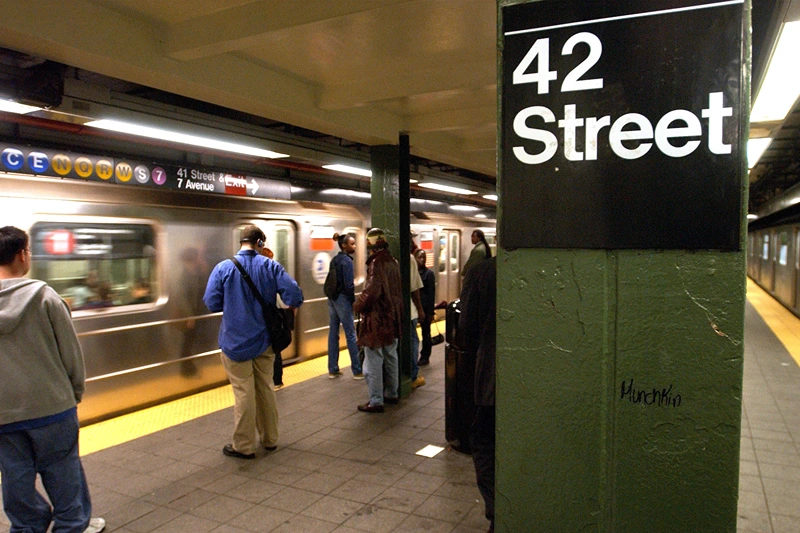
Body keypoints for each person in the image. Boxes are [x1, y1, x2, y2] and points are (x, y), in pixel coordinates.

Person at [0, 226, 106, 533]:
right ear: (22, 255)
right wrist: (73, 392)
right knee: (63, 472)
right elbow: (71, 354)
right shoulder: (45, 297)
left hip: (4, 414)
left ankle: (27, 526)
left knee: (15, 475)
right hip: (53, 408)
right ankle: (71, 525)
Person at [203, 225, 303, 459]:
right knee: (265, 389)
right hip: (265, 341)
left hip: (234, 343)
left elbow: (211, 302)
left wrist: (233, 303)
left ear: (241, 243)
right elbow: (295, 296)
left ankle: (244, 446)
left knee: (243, 393)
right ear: (260, 243)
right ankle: (270, 439)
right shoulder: (270, 266)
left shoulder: (223, 268)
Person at [458, 256, 497, 533]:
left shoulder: (483, 271)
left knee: (483, 442)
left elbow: (467, 327)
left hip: (493, 380)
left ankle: (498, 512)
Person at [353, 228, 403, 413]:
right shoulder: (393, 261)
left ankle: (375, 400)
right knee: (391, 356)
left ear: (370, 246)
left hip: (378, 320)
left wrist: (358, 305)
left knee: (372, 361)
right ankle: (392, 393)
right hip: (393, 318)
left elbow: (373, 291)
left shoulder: (376, 263)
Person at [326, 233, 363, 380]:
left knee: (333, 333)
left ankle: (333, 369)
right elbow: (349, 285)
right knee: (350, 334)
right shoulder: (347, 262)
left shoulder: (334, 260)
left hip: (332, 299)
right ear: (344, 245)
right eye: (352, 244)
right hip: (343, 300)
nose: (354, 246)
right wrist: (353, 301)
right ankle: (357, 370)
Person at [259, 246, 290, 390]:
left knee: (270, 349)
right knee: (275, 348)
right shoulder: (274, 274)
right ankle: (277, 380)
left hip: (264, 318)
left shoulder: (256, 275)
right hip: (274, 316)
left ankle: (274, 379)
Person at [408, 232, 426, 389]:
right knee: (414, 342)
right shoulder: (410, 259)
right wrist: (420, 309)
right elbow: (414, 288)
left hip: (392, 312)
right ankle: (413, 377)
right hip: (409, 312)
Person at [415, 248, 436, 366]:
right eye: (419, 257)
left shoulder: (429, 274)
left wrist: (430, 312)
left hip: (425, 308)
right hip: (414, 308)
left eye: (424, 257)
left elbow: (431, 294)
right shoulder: (412, 273)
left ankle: (425, 355)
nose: (422, 260)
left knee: (426, 333)